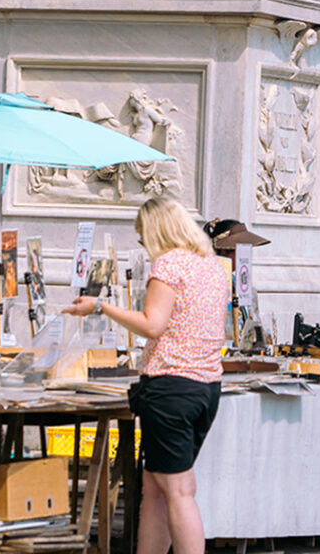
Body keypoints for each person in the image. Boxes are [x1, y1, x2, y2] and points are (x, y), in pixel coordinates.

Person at [64, 196, 229, 554]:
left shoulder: (168, 264)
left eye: (142, 236)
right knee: (154, 489)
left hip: (170, 387)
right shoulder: (213, 267)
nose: (142, 243)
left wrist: (101, 306)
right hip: (205, 387)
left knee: (178, 491)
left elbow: (153, 325)